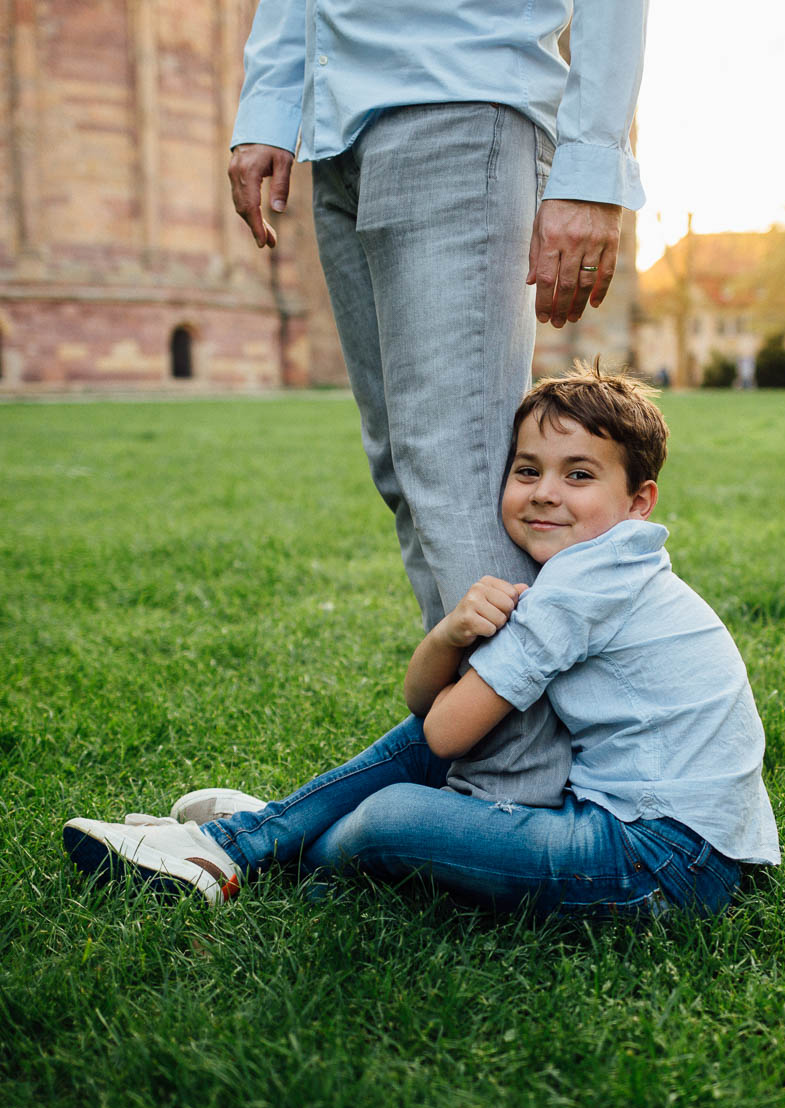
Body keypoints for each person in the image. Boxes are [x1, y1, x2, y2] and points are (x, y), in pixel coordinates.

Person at [63, 366, 781, 917]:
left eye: (579, 475)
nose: (544, 492)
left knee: (390, 817)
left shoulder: (578, 586)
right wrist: (450, 632)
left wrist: (459, 664)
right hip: (697, 851)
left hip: (653, 863)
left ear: (638, 501)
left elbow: (441, 733)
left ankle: (250, 843)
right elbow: (426, 710)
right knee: (415, 769)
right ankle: (246, 838)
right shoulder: (623, 562)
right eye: (527, 470)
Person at [226, 1, 649, 808]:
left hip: (464, 98)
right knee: (409, 470)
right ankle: (488, 761)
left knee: (457, 468)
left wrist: (592, 167)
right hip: (339, 127)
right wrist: (269, 106)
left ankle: (517, 791)